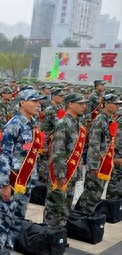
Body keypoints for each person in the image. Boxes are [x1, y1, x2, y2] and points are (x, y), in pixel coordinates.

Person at [0, 89, 46, 255]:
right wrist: (5, 184)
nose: (38, 104)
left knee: (17, 218)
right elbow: (4, 156)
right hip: (13, 181)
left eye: (39, 101)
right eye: (34, 101)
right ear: (22, 102)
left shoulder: (32, 123)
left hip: (26, 180)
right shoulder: (14, 125)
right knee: (4, 218)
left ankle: (7, 251)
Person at [45, 93, 87, 228]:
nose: (83, 106)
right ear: (70, 104)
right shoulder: (63, 124)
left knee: (66, 206)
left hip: (73, 172)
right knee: (55, 205)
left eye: (84, 104)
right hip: (62, 173)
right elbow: (58, 151)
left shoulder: (77, 123)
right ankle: (50, 233)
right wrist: (61, 174)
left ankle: (60, 233)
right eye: (80, 103)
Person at [75, 94, 122, 213]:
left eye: (118, 104)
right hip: (97, 164)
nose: (117, 106)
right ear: (106, 104)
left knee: (96, 193)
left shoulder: (108, 119)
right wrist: (93, 165)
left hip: (104, 162)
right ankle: (83, 218)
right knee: (91, 194)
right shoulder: (100, 120)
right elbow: (94, 144)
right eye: (115, 103)